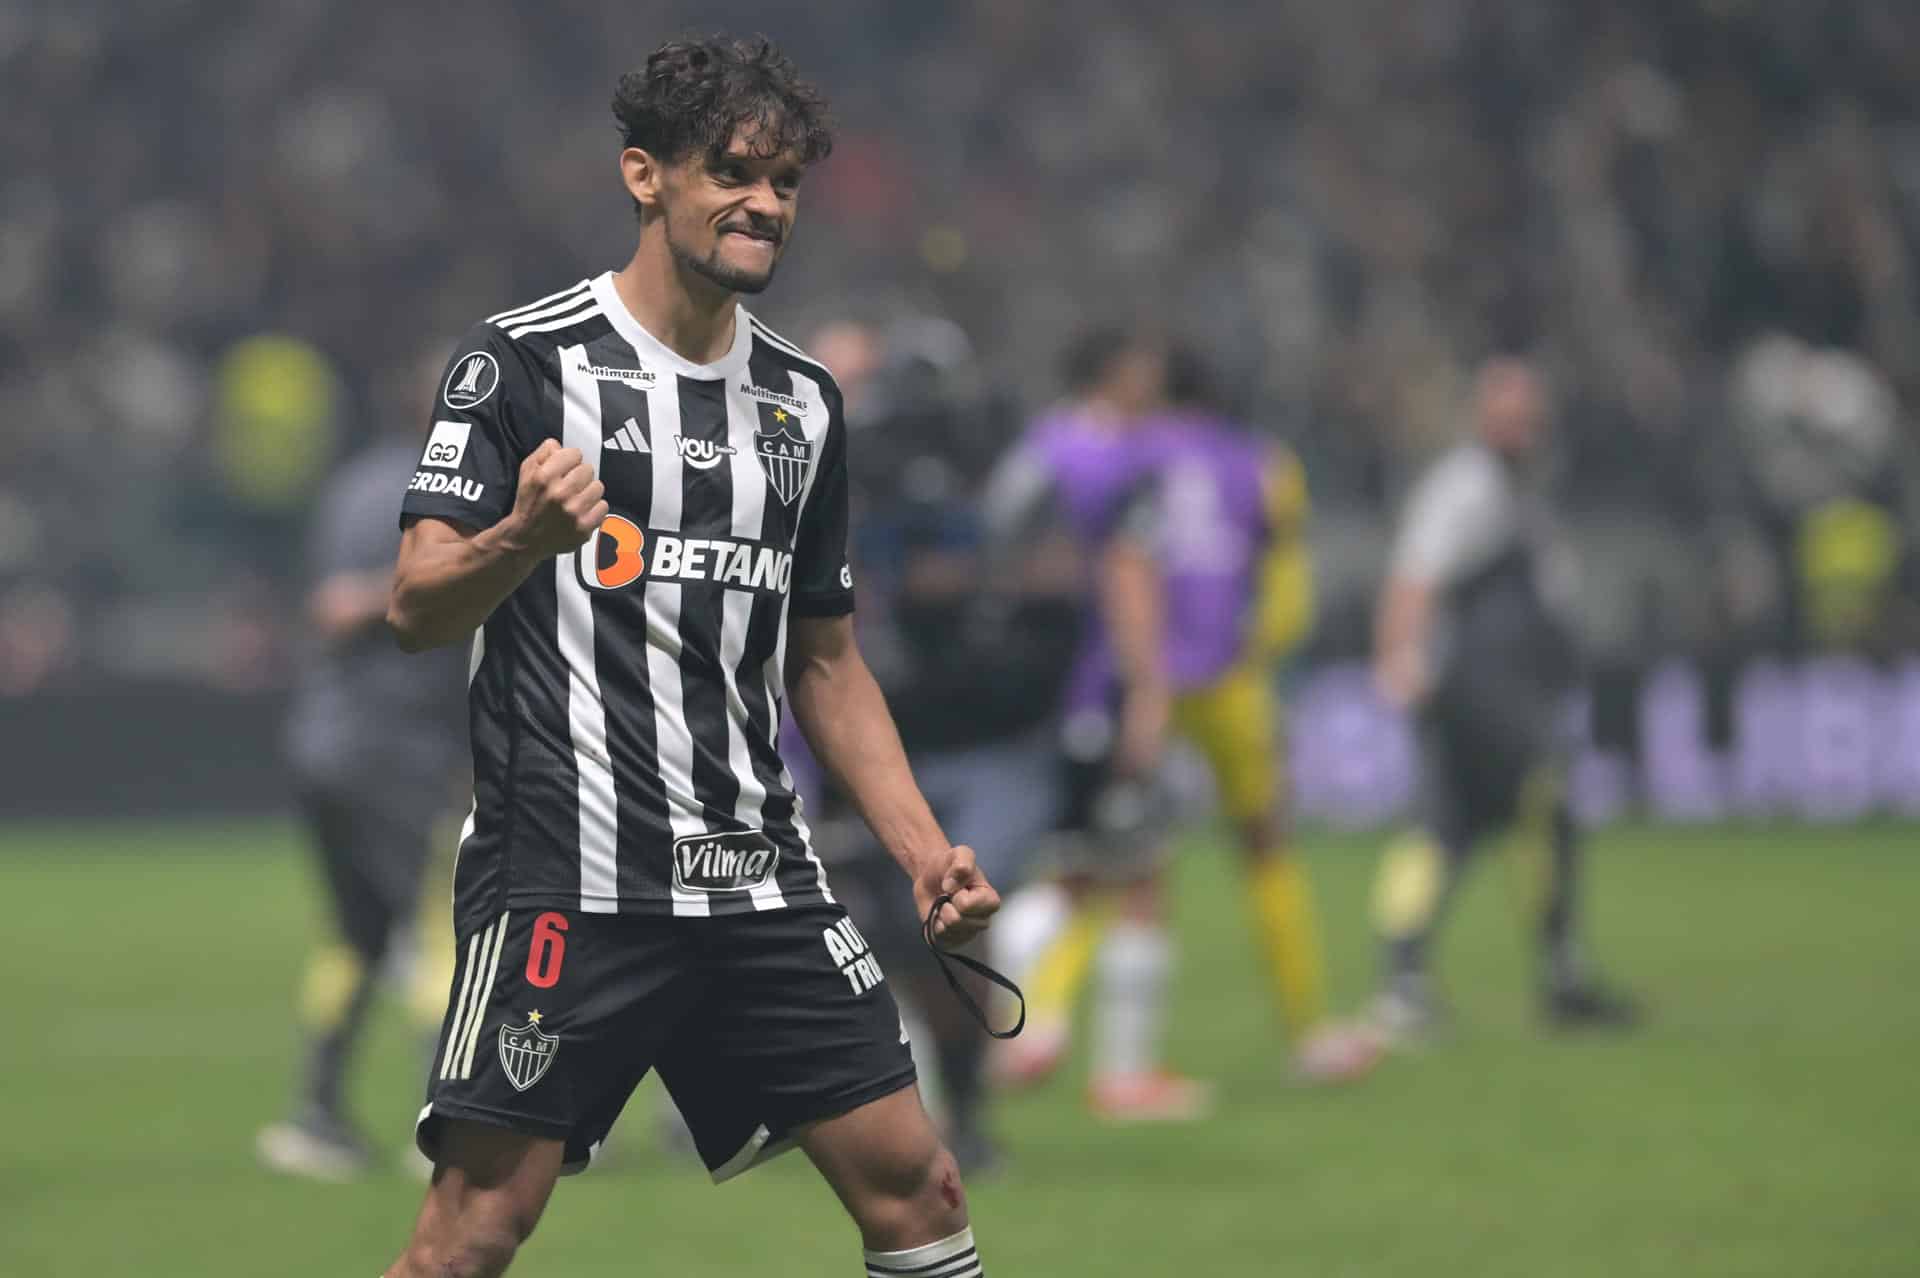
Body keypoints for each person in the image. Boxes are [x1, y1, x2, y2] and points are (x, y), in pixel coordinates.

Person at [379, 37, 1000, 1278]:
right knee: (472, 1236)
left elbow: (825, 661)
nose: (764, 205)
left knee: (922, 1192)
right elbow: (416, 603)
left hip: (756, 879)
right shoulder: (523, 361)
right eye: (733, 173)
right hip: (567, 874)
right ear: (644, 176)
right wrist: (520, 535)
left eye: (784, 185)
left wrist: (924, 851)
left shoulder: (806, 401)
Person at [993, 337, 1376, 1119]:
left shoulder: (1120, 448)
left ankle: (1041, 1019)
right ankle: (1307, 1029)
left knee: (1109, 862)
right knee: (1261, 846)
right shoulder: (1263, 462)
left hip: (1125, 675)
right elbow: (1286, 583)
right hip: (1219, 679)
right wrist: (1260, 645)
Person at [805, 318, 1082, 1171]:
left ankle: (964, 1104)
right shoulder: (846, 473)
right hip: (894, 740)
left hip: (995, 739)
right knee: (891, 933)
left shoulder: (1013, 476)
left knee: (950, 918)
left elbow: (1061, 590)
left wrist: (987, 587)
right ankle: (932, 1104)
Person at [1369, 356, 1638, 1040]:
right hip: (1482, 684)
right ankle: (1561, 975)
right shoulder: (1467, 485)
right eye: (1509, 416)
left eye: (1528, 417)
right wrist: (1400, 656)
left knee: (1448, 829)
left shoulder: (1516, 488)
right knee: (1543, 810)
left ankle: (1404, 981)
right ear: (1482, 419)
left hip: (1502, 683)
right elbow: (1413, 576)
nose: (1522, 429)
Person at [258, 355, 469, 1180]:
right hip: (394, 747)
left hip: (324, 741)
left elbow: (328, 596)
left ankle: (315, 1115)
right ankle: (443, 1123)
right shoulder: (435, 489)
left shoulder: (353, 483)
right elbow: (356, 602)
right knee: (439, 927)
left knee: (358, 932)